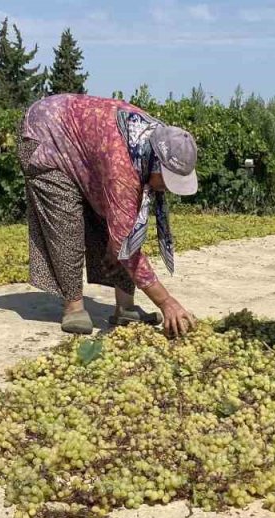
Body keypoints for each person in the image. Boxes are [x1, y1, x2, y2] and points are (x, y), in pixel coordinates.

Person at [18, 93, 200, 336]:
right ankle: (73, 307)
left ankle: (125, 307)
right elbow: (125, 243)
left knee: (122, 225)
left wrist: (120, 244)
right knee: (68, 224)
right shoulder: (123, 167)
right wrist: (166, 302)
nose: (167, 188)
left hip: (86, 146)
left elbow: (125, 232)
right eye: (167, 180)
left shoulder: (161, 141)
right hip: (45, 135)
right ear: (156, 164)